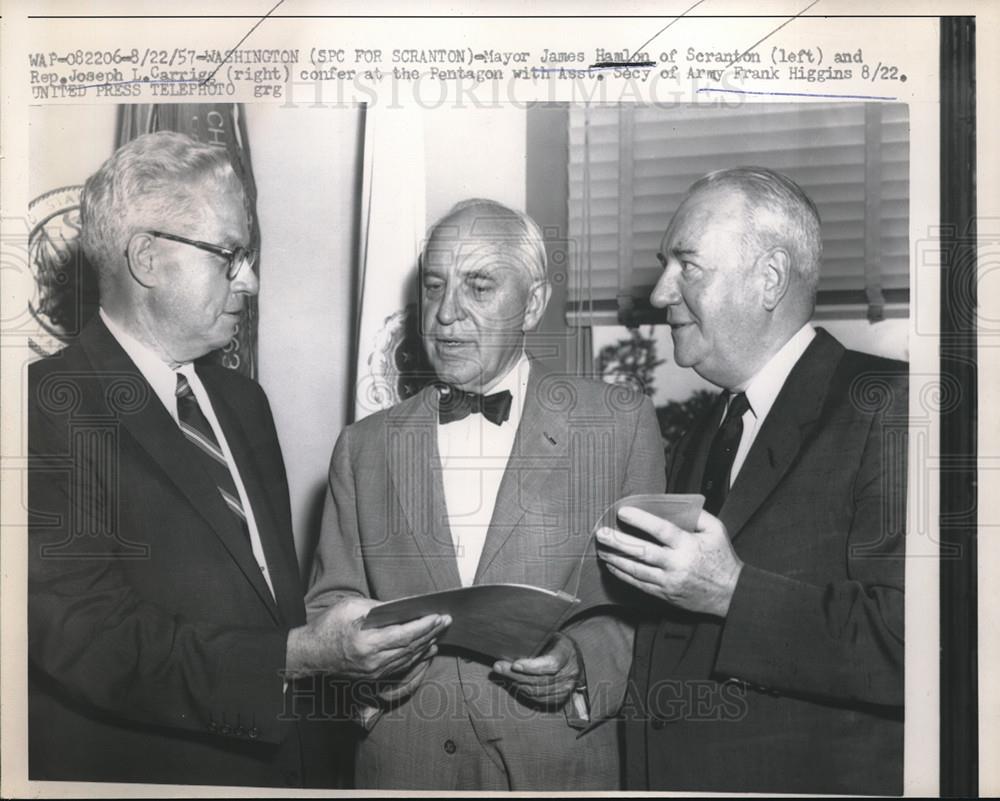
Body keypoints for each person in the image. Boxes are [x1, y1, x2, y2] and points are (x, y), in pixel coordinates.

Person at [27, 131, 448, 788]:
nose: (250, 281)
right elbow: (90, 639)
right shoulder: (40, 410)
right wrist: (306, 653)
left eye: (247, 256)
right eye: (229, 255)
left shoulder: (242, 401)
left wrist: (351, 676)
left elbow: (268, 616)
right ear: (146, 257)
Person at [305, 199, 665, 790]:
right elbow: (331, 605)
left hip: (555, 764)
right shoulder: (361, 447)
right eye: (435, 285)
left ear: (534, 302)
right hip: (404, 764)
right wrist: (369, 676)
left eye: (478, 287)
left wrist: (579, 666)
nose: (446, 315)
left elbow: (644, 610)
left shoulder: (619, 424)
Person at [597, 167, 907, 795]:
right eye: (664, 264)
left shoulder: (893, 406)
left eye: (688, 265)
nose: (660, 293)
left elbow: (915, 648)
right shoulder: (704, 433)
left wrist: (732, 592)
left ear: (769, 279)